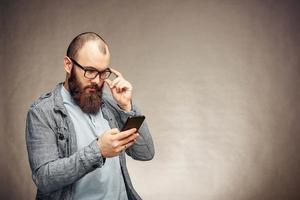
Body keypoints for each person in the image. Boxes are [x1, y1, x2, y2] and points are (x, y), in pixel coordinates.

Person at [25, 32, 155, 200]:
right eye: (90, 71)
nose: (97, 80)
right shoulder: (43, 112)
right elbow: (44, 179)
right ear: (68, 65)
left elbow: (145, 153)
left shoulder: (110, 104)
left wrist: (126, 107)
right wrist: (98, 151)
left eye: (103, 73)